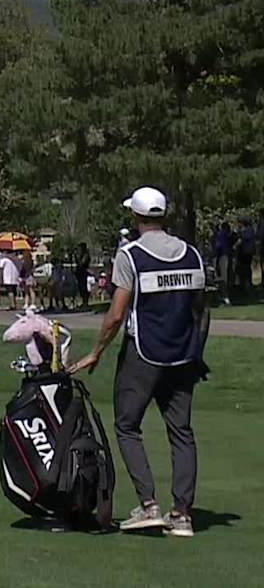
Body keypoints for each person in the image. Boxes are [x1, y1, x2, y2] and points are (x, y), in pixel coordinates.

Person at [71, 186, 207, 538]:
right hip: (182, 357)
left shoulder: (130, 255)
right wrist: (197, 352)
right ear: (163, 215)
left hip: (143, 355)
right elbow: (201, 311)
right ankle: (182, 515)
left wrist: (96, 351)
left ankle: (148, 506)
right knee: (182, 432)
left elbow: (116, 314)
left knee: (127, 426)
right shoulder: (191, 254)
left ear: (136, 216)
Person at [211, 222, 234, 305]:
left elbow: (218, 247)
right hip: (226, 256)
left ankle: (224, 298)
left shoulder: (219, 236)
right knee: (226, 278)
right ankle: (225, 297)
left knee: (221, 279)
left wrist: (216, 260)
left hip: (220, 257)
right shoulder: (227, 236)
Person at [235, 218, 255, 301]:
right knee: (247, 269)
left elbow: (240, 240)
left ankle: (245, 287)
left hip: (244, 253)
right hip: (248, 253)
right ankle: (246, 286)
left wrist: (234, 246)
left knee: (244, 270)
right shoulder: (251, 230)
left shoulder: (245, 231)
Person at [74, 243, 92, 311]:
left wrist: (77, 258)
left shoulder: (85, 255)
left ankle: (85, 303)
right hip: (79, 273)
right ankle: (83, 303)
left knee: (84, 288)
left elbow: (82, 263)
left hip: (83, 273)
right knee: (81, 288)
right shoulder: (80, 255)